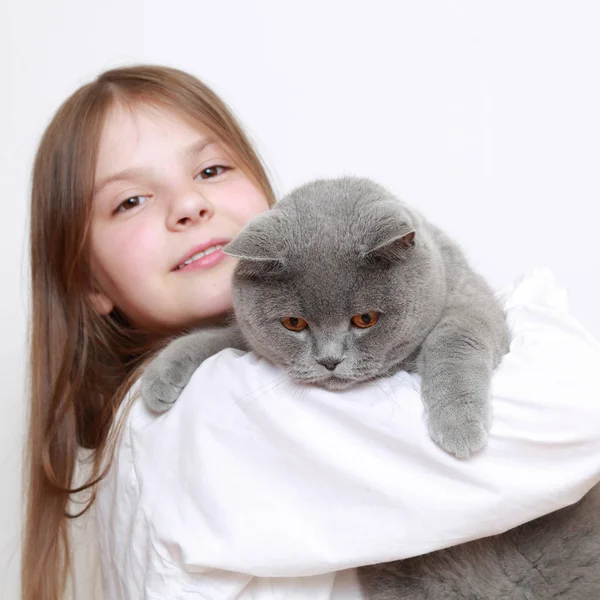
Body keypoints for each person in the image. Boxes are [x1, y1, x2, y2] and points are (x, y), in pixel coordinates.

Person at [22, 65, 600, 600]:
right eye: (130, 200)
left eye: (211, 170)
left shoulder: (168, 407)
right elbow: (579, 414)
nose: (189, 205)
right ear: (88, 283)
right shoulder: (222, 410)